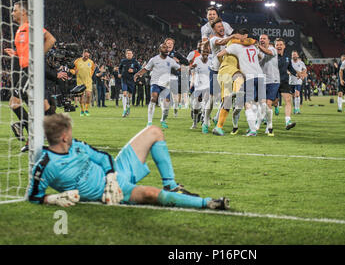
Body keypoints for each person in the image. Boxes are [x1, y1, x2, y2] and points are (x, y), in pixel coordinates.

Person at [28, 113, 229, 210]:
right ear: (64, 136)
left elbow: (103, 157)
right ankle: (208, 203)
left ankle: (172, 185)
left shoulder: (76, 146)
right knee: (151, 194)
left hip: (117, 173)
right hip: (115, 193)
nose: (72, 134)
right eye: (70, 132)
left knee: (154, 132)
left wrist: (111, 177)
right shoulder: (45, 165)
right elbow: (33, 196)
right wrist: (53, 198)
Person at [4, 1, 57, 152]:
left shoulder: (30, 27)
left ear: (24, 12)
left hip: (32, 69)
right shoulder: (19, 30)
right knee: (22, 103)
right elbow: (24, 53)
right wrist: (15, 54)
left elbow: (51, 39)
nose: (12, 12)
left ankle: (36, 134)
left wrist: (37, 56)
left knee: (27, 98)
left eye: (14, 10)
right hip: (24, 69)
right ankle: (43, 132)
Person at [217, 28, 265, 137]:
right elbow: (261, 57)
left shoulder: (235, 46)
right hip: (260, 75)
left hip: (249, 77)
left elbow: (219, 55)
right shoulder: (253, 46)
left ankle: (253, 130)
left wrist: (222, 63)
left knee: (247, 104)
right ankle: (261, 126)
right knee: (258, 103)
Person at [203, 18, 241, 134]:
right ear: (214, 29)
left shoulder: (229, 40)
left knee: (226, 98)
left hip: (227, 71)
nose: (221, 28)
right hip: (215, 70)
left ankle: (217, 119)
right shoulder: (214, 39)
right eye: (218, 27)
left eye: (222, 26)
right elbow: (222, 42)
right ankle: (205, 121)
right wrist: (233, 36)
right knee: (213, 98)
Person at [134, 44, 180, 129]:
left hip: (166, 85)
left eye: (167, 48)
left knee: (166, 106)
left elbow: (179, 68)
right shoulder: (154, 59)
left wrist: (189, 67)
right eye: (164, 48)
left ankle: (163, 120)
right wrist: (137, 74)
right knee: (153, 98)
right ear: (159, 49)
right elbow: (146, 69)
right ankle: (149, 122)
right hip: (155, 83)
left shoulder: (171, 60)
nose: (166, 49)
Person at [258, 34, 280, 136]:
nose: (262, 40)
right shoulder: (258, 51)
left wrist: (258, 46)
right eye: (260, 39)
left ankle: (269, 126)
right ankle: (261, 122)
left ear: (268, 40)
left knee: (268, 103)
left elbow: (268, 52)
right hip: (262, 80)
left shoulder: (273, 49)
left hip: (273, 80)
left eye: (264, 38)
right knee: (262, 105)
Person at [276, 39, 298, 130]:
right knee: (272, 102)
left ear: (284, 46)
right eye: (277, 45)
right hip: (273, 81)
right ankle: (275, 106)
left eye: (281, 44)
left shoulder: (287, 57)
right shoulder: (271, 56)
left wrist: (297, 74)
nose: (279, 46)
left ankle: (288, 121)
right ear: (275, 46)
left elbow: (290, 68)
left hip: (284, 81)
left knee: (288, 100)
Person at [189, 47, 211, 129]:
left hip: (208, 84)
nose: (205, 53)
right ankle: (194, 123)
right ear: (201, 52)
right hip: (198, 85)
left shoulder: (211, 60)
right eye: (203, 52)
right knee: (196, 106)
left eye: (207, 52)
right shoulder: (197, 60)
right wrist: (191, 67)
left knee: (206, 102)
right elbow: (192, 70)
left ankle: (204, 119)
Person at [71, 49, 95, 117]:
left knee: (88, 95)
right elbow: (71, 69)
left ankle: (86, 109)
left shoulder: (91, 62)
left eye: (88, 56)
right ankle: (82, 110)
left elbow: (93, 69)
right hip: (80, 81)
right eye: (85, 56)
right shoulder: (77, 61)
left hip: (88, 81)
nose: (87, 57)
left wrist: (90, 75)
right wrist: (74, 72)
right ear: (83, 54)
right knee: (81, 96)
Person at [118, 49, 141, 117]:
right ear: (126, 55)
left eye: (130, 53)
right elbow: (119, 68)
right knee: (124, 94)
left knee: (129, 96)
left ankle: (128, 107)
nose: (129, 54)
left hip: (131, 80)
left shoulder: (135, 61)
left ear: (132, 54)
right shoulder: (123, 61)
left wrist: (133, 70)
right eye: (128, 53)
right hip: (124, 79)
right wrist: (119, 73)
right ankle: (124, 110)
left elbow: (139, 69)